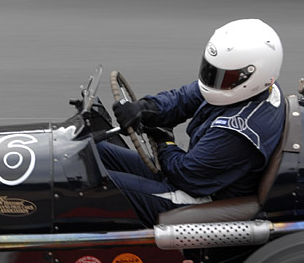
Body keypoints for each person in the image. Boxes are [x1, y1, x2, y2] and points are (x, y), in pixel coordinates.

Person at [98, 18, 286, 225]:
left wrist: (164, 142)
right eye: (211, 71)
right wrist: (144, 108)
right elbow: (183, 99)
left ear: (256, 75)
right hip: (196, 175)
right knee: (93, 152)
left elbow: (186, 175)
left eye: (224, 76)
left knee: (92, 186)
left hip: (201, 198)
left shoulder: (239, 130)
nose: (213, 80)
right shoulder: (243, 86)